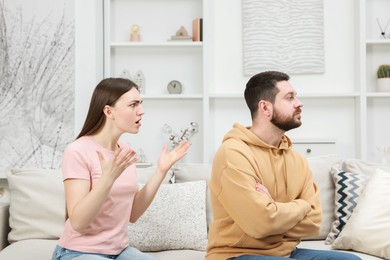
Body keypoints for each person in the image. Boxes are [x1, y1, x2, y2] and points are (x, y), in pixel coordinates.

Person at [206, 71, 361, 260]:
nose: (299, 103)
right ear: (265, 107)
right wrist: (302, 206)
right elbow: (260, 223)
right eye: (290, 98)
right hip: (236, 254)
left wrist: (273, 210)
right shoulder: (233, 154)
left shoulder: (296, 160)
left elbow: (314, 222)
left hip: (287, 253)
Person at [52, 78, 191, 260]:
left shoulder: (125, 151)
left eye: (140, 104)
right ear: (109, 111)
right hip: (77, 252)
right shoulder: (77, 151)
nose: (141, 111)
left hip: (118, 252)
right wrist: (107, 179)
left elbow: (133, 214)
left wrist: (161, 171)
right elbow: (78, 222)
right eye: (133, 105)